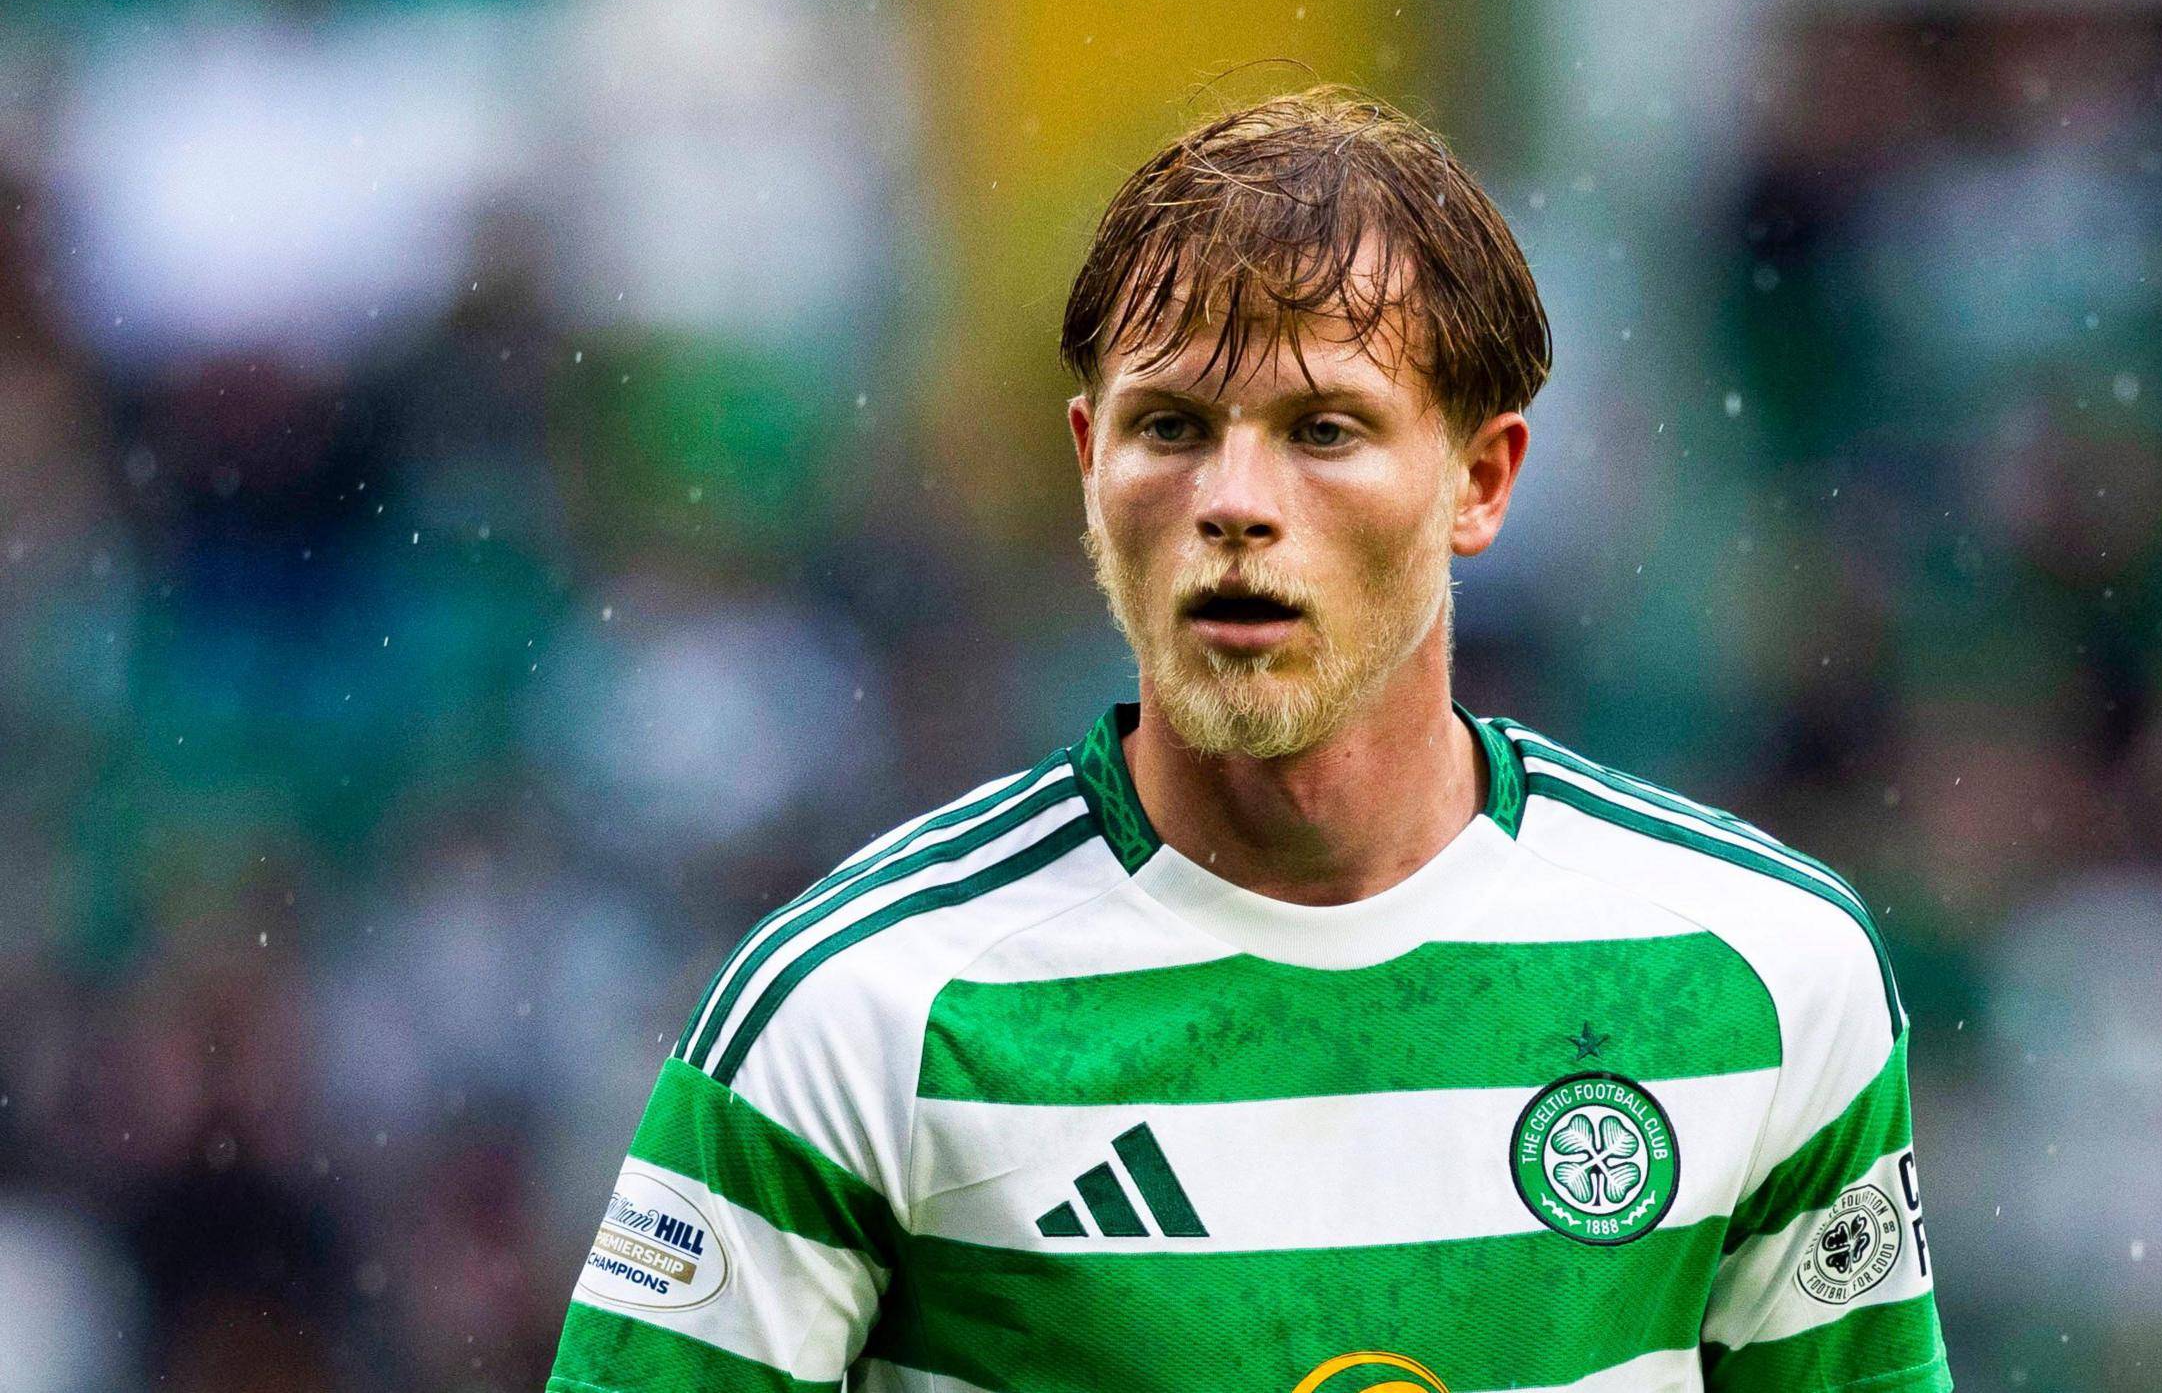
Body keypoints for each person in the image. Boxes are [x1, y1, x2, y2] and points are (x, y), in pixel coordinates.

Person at [546, 85, 1950, 1393]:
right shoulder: (854, 1014)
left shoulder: (1763, 973)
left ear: (1481, 479)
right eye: (1169, 427)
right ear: (1091, 469)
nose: (1233, 500)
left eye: (1323, 429)